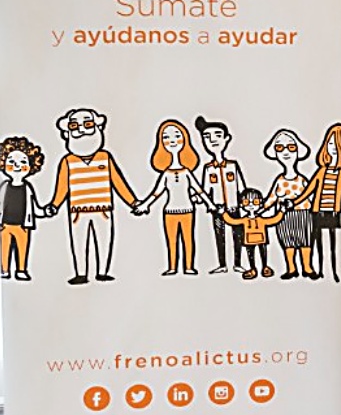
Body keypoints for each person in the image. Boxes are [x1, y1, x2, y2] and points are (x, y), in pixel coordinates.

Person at [48, 107, 140, 284]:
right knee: (78, 241)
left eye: (87, 124)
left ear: (97, 128)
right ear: (68, 132)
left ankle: (103, 271)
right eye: (75, 126)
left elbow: (118, 182)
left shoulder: (105, 157)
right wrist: (54, 205)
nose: (82, 130)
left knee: (104, 240)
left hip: (103, 209)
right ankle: (81, 272)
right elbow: (62, 187)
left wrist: (133, 202)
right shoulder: (67, 161)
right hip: (77, 211)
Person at [138, 119, 217, 275]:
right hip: (170, 211)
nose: (172, 141)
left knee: (188, 239)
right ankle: (172, 267)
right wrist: (145, 205)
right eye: (166, 138)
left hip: (188, 209)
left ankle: (189, 266)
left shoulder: (187, 172)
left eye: (176, 136)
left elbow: (199, 190)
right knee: (171, 240)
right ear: (161, 144)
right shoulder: (166, 174)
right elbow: (157, 192)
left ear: (185, 140)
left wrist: (210, 204)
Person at [296, 123, 341, 282]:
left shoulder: (340, 173)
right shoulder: (321, 171)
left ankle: (333, 271)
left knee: (333, 244)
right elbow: (310, 189)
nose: (333, 148)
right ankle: (319, 269)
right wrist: (294, 202)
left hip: (332, 211)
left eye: (337, 144)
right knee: (317, 243)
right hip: (317, 211)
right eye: (331, 143)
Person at [262, 128, 318, 281]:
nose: (286, 152)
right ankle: (291, 268)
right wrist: (261, 208)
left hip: (304, 214)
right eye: (280, 148)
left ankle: (307, 267)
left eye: (291, 147)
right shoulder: (280, 181)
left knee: (306, 241)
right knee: (287, 243)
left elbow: (310, 196)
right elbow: (272, 197)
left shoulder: (302, 180)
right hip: (284, 216)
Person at [195, 116, 247, 275]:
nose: (212, 140)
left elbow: (242, 187)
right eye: (207, 137)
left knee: (238, 236)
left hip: (234, 206)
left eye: (217, 135)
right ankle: (222, 264)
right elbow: (204, 189)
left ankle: (238, 263)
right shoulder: (208, 168)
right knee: (220, 236)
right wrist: (200, 199)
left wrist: (245, 202)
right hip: (217, 208)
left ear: (226, 139)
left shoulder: (233, 165)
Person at [0, 136, 50, 280]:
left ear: (31, 165)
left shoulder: (27, 188)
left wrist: (45, 212)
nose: (17, 166)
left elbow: (34, 207)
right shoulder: (4, 187)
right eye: (11, 162)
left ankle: (21, 269)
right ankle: (4, 269)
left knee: (22, 248)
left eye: (22, 162)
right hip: (5, 225)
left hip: (23, 226)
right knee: (5, 247)